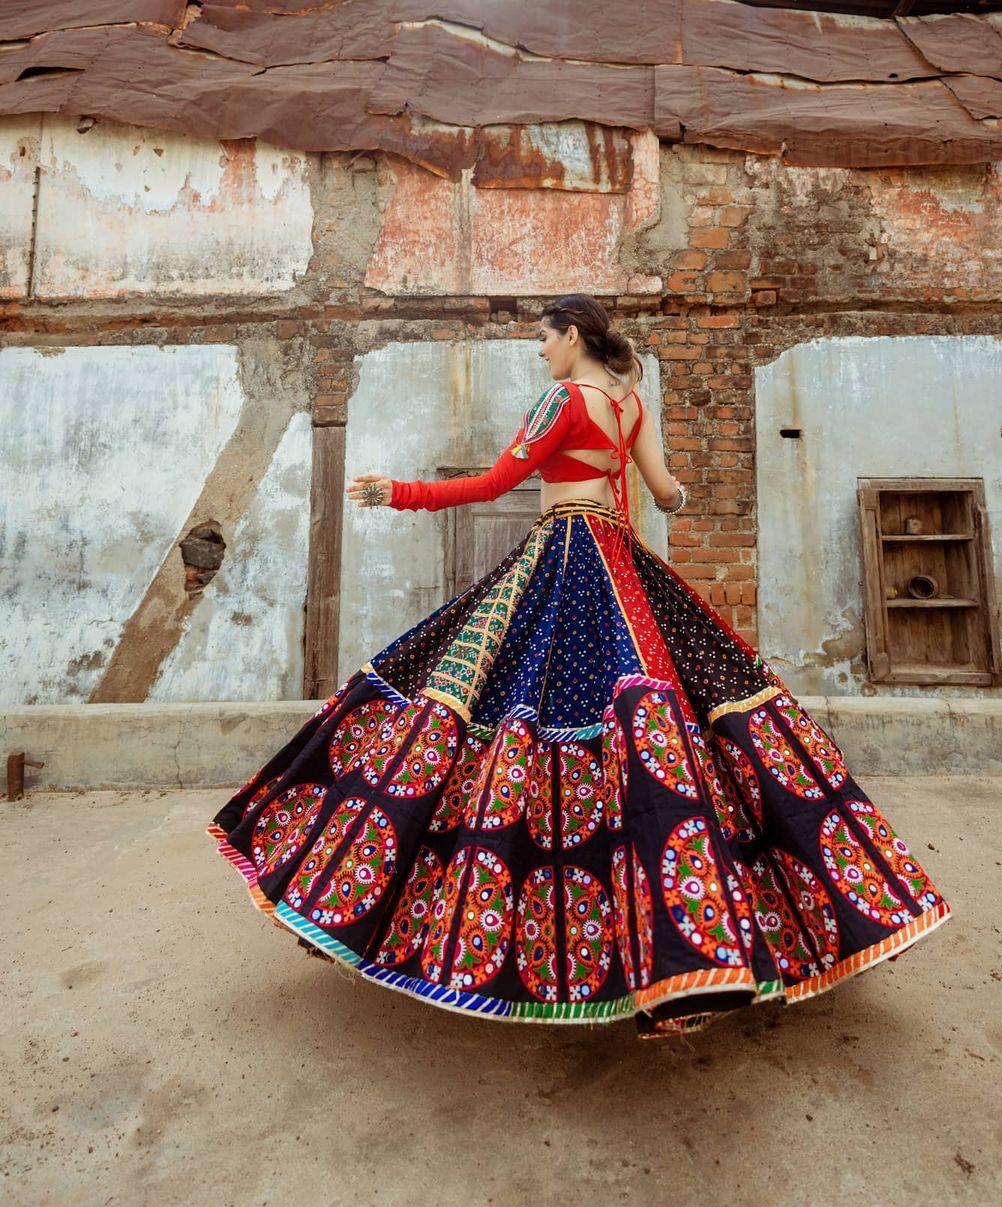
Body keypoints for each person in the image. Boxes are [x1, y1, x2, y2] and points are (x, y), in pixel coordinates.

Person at [207, 292, 951, 1039]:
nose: (539, 351)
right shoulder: (631, 405)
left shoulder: (561, 399)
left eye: (543, 337)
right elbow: (666, 493)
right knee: (661, 718)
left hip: (565, 555)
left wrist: (399, 492)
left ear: (571, 336)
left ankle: (389, 897)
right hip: (622, 562)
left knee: (485, 695)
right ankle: (701, 944)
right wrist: (672, 489)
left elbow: (494, 484)